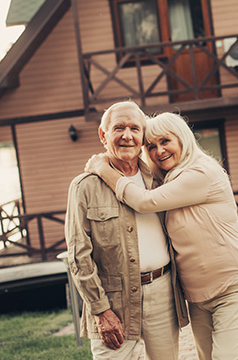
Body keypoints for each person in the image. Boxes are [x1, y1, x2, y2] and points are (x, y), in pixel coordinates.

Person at [85, 112, 238, 360]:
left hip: (231, 284)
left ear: (182, 139)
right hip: (197, 293)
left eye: (165, 141)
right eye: (151, 146)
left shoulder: (201, 172)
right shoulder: (167, 179)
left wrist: (103, 169)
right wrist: (232, 224)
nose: (159, 151)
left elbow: (145, 202)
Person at [65, 101, 190, 360]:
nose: (127, 135)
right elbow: (79, 256)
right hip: (112, 299)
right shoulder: (84, 187)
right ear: (103, 135)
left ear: (143, 136)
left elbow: (196, 215)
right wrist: (101, 310)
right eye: (118, 128)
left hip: (162, 291)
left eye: (135, 128)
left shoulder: (161, 179)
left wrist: (235, 226)